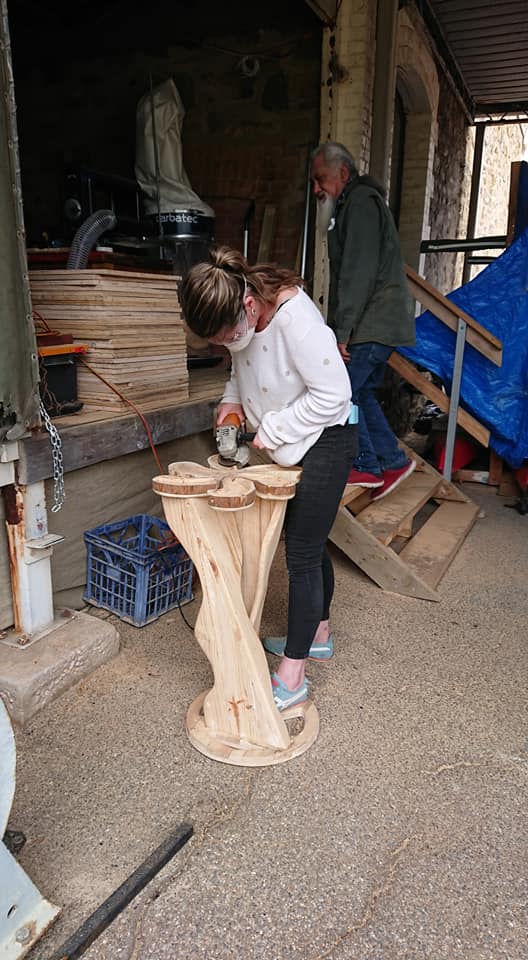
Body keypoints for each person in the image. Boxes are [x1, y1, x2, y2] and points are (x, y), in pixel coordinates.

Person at [179, 246, 357, 710]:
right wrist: (232, 402)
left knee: (300, 553)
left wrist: (272, 429)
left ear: (249, 305)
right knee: (309, 545)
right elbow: (241, 367)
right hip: (293, 443)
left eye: (226, 335)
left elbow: (336, 393)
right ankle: (318, 634)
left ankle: (293, 676)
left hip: (329, 438)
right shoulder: (242, 320)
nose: (225, 345)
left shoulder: (295, 320)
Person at [310, 141, 416, 501]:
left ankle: (368, 464)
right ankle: (391, 460)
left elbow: (357, 274)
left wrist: (341, 331)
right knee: (361, 391)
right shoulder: (353, 205)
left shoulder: (360, 204)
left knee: (342, 393)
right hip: (377, 322)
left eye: (320, 178)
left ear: (342, 173)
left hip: (373, 323)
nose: (316, 189)